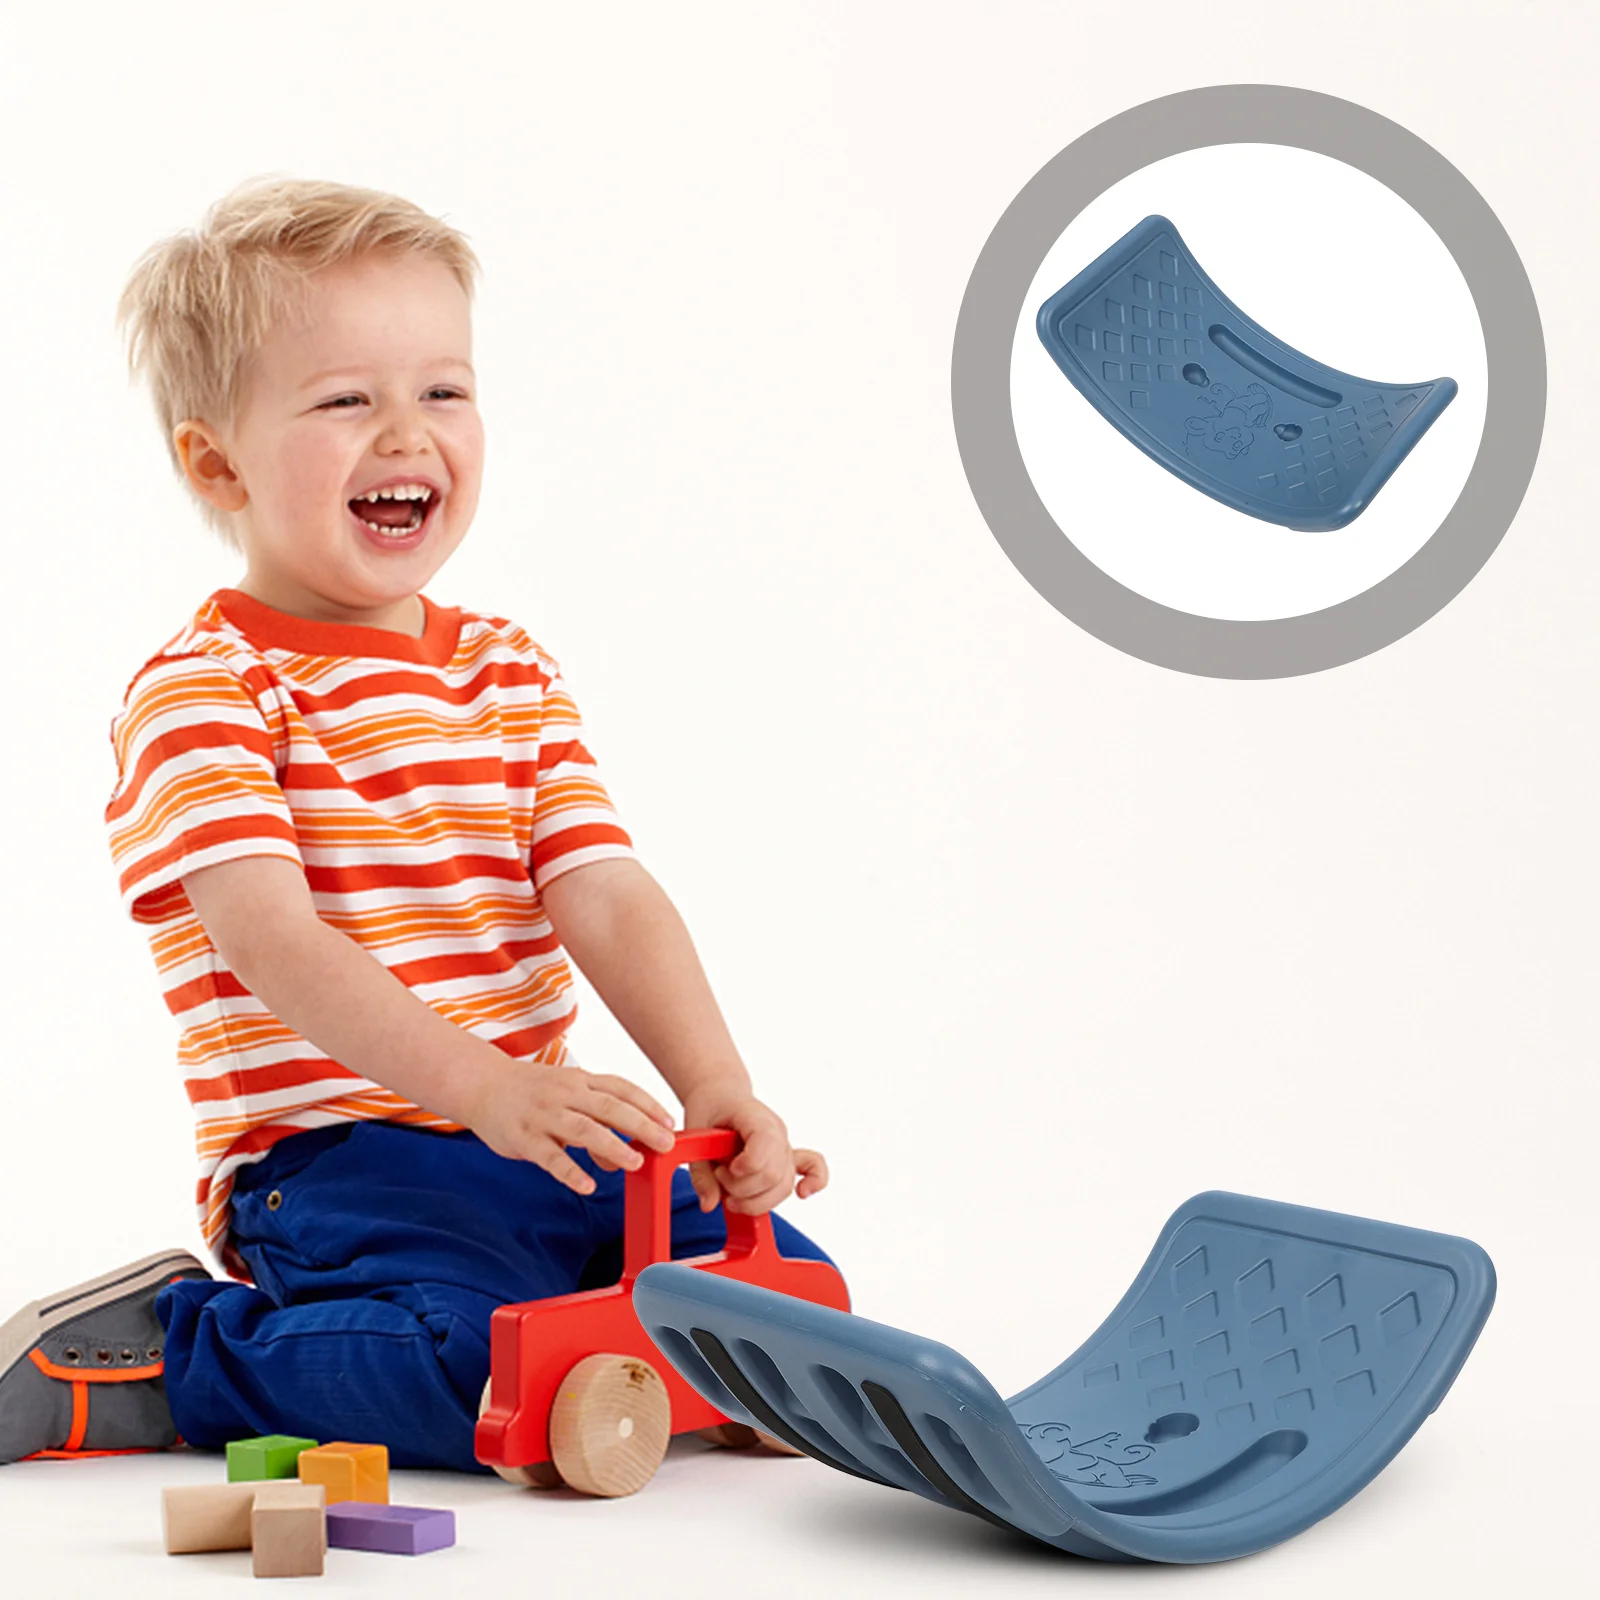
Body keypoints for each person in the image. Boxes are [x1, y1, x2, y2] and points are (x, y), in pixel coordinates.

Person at [0, 177, 830, 1472]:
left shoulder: (504, 671)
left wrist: (714, 1088)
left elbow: (602, 888)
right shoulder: (206, 690)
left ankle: (646, 1365)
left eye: (443, 392)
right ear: (218, 459)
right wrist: (477, 1086)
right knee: (469, 1373)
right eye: (346, 401)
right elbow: (271, 938)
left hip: (543, 1137)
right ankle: (181, 1356)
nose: (407, 435)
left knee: (792, 1297)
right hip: (338, 1163)